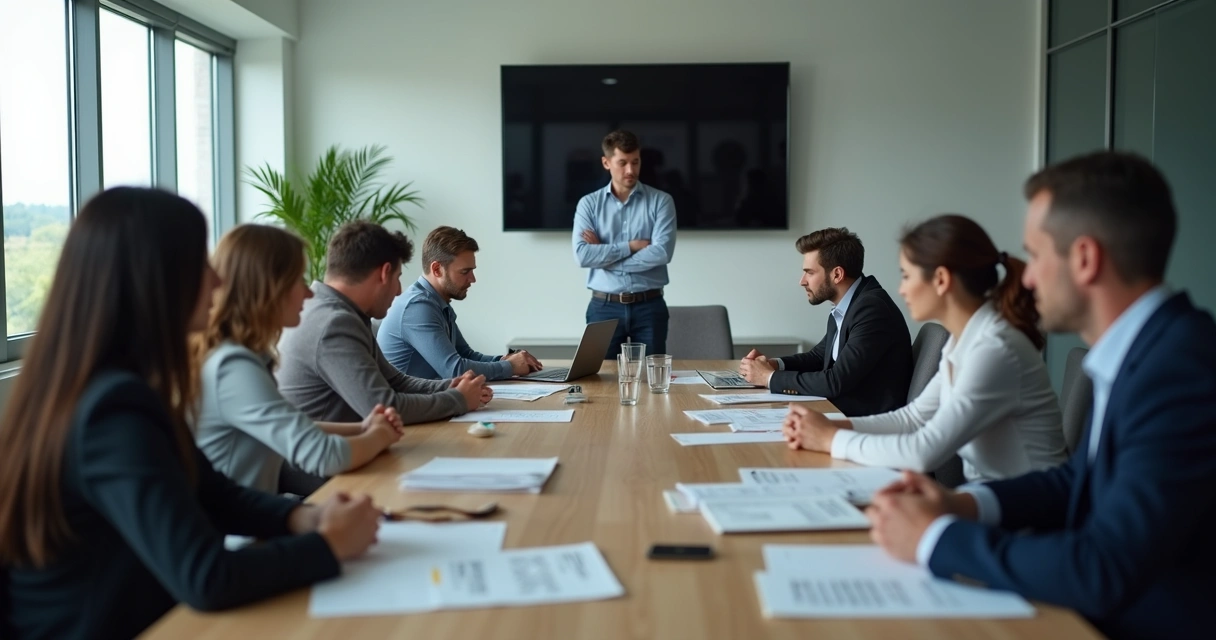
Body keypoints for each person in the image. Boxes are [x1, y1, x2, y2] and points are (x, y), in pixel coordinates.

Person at [863, 151, 1216, 640]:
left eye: (1036, 255)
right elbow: (1077, 481)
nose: (1024, 277)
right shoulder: (1147, 350)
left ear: (1086, 260)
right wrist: (961, 506)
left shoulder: (1180, 369)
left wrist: (935, 539)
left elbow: (1105, 567)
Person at [0, 188, 381, 640]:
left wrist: (301, 519)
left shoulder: (116, 386)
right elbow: (206, 577)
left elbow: (213, 493)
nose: (218, 283)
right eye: (202, 265)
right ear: (156, 279)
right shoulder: (111, 409)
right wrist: (330, 544)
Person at [783, 215, 1067, 482]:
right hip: (991, 497)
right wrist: (832, 427)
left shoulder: (995, 348)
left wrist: (829, 439)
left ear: (941, 280)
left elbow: (922, 452)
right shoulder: (965, 340)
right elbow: (913, 417)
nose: (901, 290)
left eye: (906, 276)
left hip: (1026, 511)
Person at [195, 224, 407, 496]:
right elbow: (325, 456)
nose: (308, 294)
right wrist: (379, 436)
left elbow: (292, 421)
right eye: (298, 280)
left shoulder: (241, 357)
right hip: (240, 533)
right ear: (270, 288)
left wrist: (362, 427)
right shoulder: (233, 367)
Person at [277, 221, 492, 425]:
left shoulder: (340, 313)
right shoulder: (333, 324)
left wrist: (450, 386)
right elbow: (385, 406)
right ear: (384, 273)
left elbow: (395, 381)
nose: (399, 290)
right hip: (325, 460)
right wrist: (458, 399)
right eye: (398, 277)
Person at [740, 227, 912, 416]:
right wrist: (775, 365)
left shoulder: (871, 309)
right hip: (840, 408)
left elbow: (835, 381)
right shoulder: (849, 305)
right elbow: (818, 357)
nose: (802, 281)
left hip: (865, 420)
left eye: (810, 273)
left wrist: (769, 377)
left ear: (837, 274)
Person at [378, 226, 541, 380]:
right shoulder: (418, 307)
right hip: (408, 407)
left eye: (472, 270)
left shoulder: (436, 301)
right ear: (437, 269)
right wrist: (510, 367)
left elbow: (465, 355)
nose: (473, 279)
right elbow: (454, 370)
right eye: (465, 272)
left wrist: (506, 360)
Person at [573, 129, 677, 358]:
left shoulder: (661, 201)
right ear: (606, 162)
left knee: (653, 380)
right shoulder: (588, 204)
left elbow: (661, 253)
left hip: (649, 305)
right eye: (622, 163)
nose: (630, 170)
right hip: (604, 307)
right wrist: (630, 246)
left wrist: (604, 255)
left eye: (635, 162)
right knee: (600, 380)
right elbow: (583, 256)